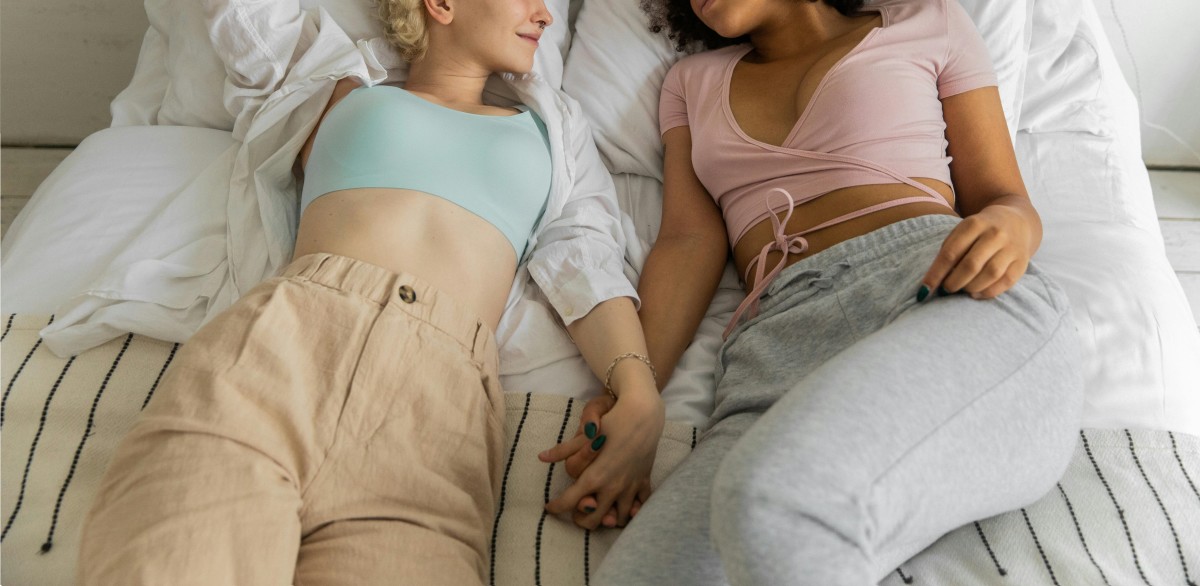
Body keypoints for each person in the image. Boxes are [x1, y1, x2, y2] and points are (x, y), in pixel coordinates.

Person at [76, 0, 667, 582]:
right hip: (282, 350)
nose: (545, 15)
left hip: (434, 413)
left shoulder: (557, 128)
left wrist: (638, 395)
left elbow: (587, 260)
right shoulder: (335, 80)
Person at [575, 0, 1085, 584]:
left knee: (771, 497)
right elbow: (687, 242)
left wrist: (1014, 227)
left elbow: (1005, 199)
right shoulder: (689, 83)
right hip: (773, 354)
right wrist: (636, 394)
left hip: (939, 294)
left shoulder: (929, 21)